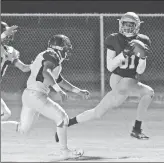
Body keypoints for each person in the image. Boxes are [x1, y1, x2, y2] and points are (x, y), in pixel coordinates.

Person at [58, 12, 154, 140]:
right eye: (125, 24)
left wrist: (143, 58)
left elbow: (140, 71)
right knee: (147, 91)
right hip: (118, 79)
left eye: (131, 24)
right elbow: (110, 67)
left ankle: (66, 124)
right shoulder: (114, 39)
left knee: (98, 112)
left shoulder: (143, 40)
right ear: (120, 24)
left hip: (129, 82)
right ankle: (137, 129)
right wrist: (123, 54)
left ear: (137, 26)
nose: (127, 27)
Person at [1, 34, 90, 160]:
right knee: (62, 118)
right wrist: (59, 91)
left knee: (23, 129)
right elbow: (46, 72)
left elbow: (59, 80)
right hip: (36, 95)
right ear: (58, 47)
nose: (67, 49)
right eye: (65, 46)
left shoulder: (49, 57)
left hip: (29, 95)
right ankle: (65, 151)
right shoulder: (52, 55)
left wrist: (78, 91)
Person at [1, 21, 31, 121]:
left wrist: (36, 64)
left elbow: (23, 68)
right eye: (6, 32)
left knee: (6, 114)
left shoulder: (9, 51)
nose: (9, 35)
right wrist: (4, 34)